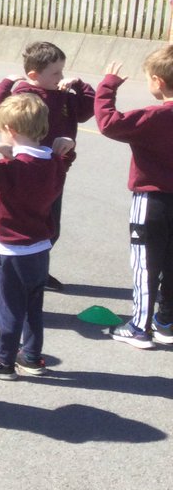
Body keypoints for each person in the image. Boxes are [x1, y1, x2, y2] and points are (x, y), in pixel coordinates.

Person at [0, 94, 74, 379]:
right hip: (40, 247)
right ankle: (32, 356)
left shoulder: (9, 168)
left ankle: (4, 359)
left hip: (12, 249)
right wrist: (66, 150)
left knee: (8, 308)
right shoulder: (53, 163)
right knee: (33, 306)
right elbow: (64, 160)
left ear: (9, 131)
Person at [0, 41, 94, 292]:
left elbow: (87, 109)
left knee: (50, 226)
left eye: (62, 71)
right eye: (56, 73)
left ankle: (39, 270)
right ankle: (19, 269)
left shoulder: (64, 94)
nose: (61, 77)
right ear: (34, 75)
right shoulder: (23, 96)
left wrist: (80, 85)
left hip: (53, 170)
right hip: (25, 170)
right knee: (24, 223)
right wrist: (4, 86)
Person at [94, 48, 173, 349]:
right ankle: (166, 321)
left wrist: (108, 85)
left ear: (158, 81)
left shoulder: (154, 116)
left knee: (145, 264)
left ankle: (140, 326)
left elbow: (109, 123)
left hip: (151, 200)